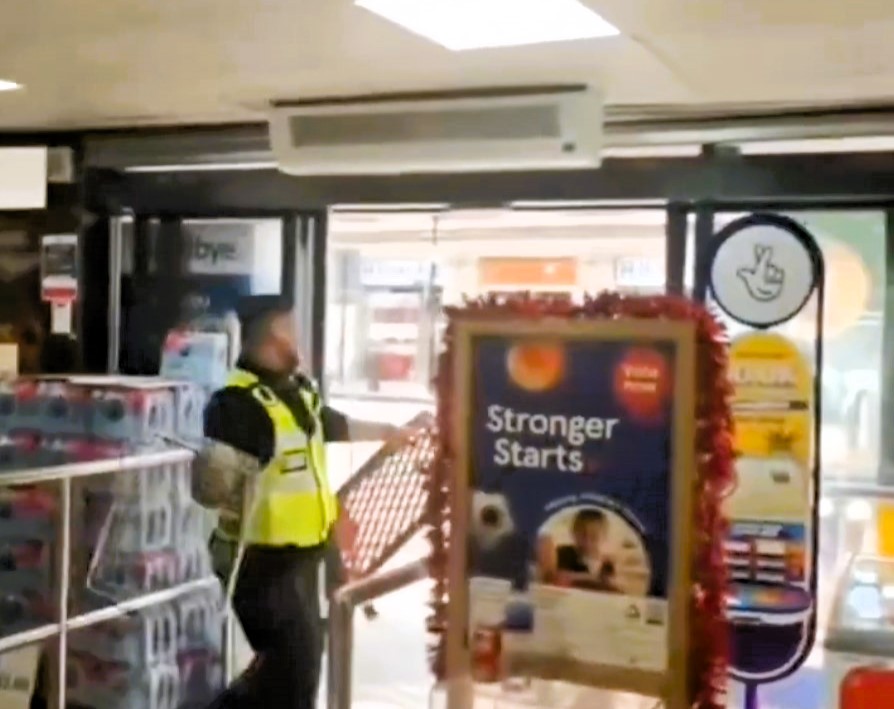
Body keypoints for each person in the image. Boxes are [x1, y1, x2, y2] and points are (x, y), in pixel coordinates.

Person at [198, 296, 412, 709]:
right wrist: (222, 465)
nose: (301, 340)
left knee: (297, 677)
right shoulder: (237, 405)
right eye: (294, 330)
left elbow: (330, 425)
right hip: (263, 569)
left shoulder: (296, 392)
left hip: (304, 564)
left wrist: (390, 431)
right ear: (277, 336)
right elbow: (211, 490)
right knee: (279, 684)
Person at [554, 508, 618, 592]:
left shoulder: (607, 564)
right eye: (583, 535)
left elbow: (611, 587)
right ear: (574, 532)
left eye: (593, 536)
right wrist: (594, 578)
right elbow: (559, 577)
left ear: (604, 536)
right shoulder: (565, 552)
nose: (587, 542)